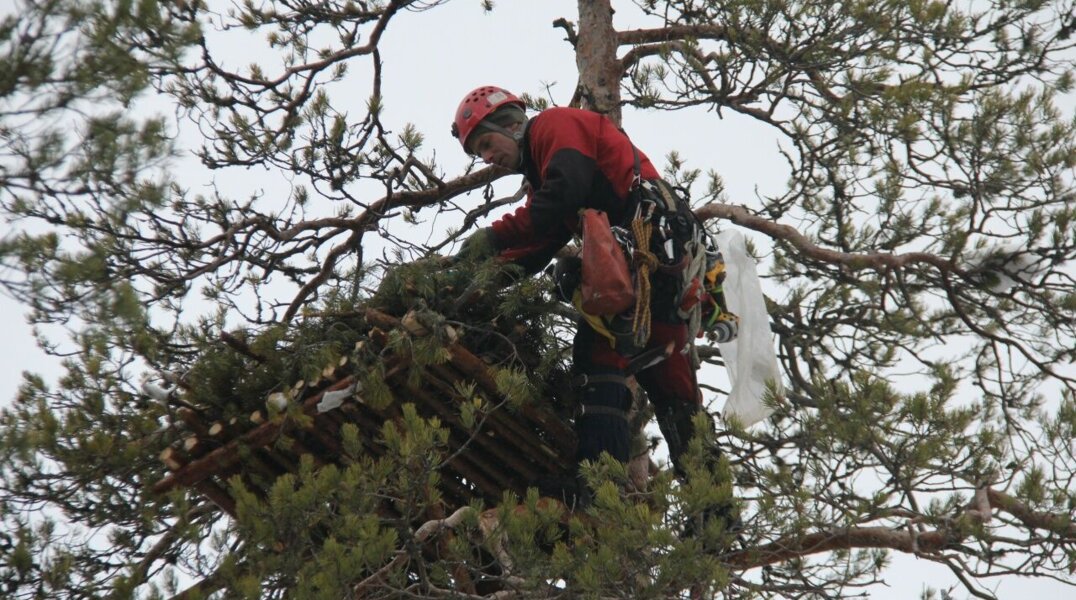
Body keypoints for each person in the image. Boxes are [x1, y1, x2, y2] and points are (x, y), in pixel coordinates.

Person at [449, 85, 739, 501]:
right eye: (479, 153)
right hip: (659, 279)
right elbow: (534, 249)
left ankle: (597, 487)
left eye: (487, 143)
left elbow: (561, 193)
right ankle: (716, 513)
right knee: (673, 391)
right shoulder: (544, 177)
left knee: (597, 358)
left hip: (650, 266)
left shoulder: (554, 125)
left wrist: (491, 236)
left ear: (512, 125)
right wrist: (473, 277)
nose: (487, 158)